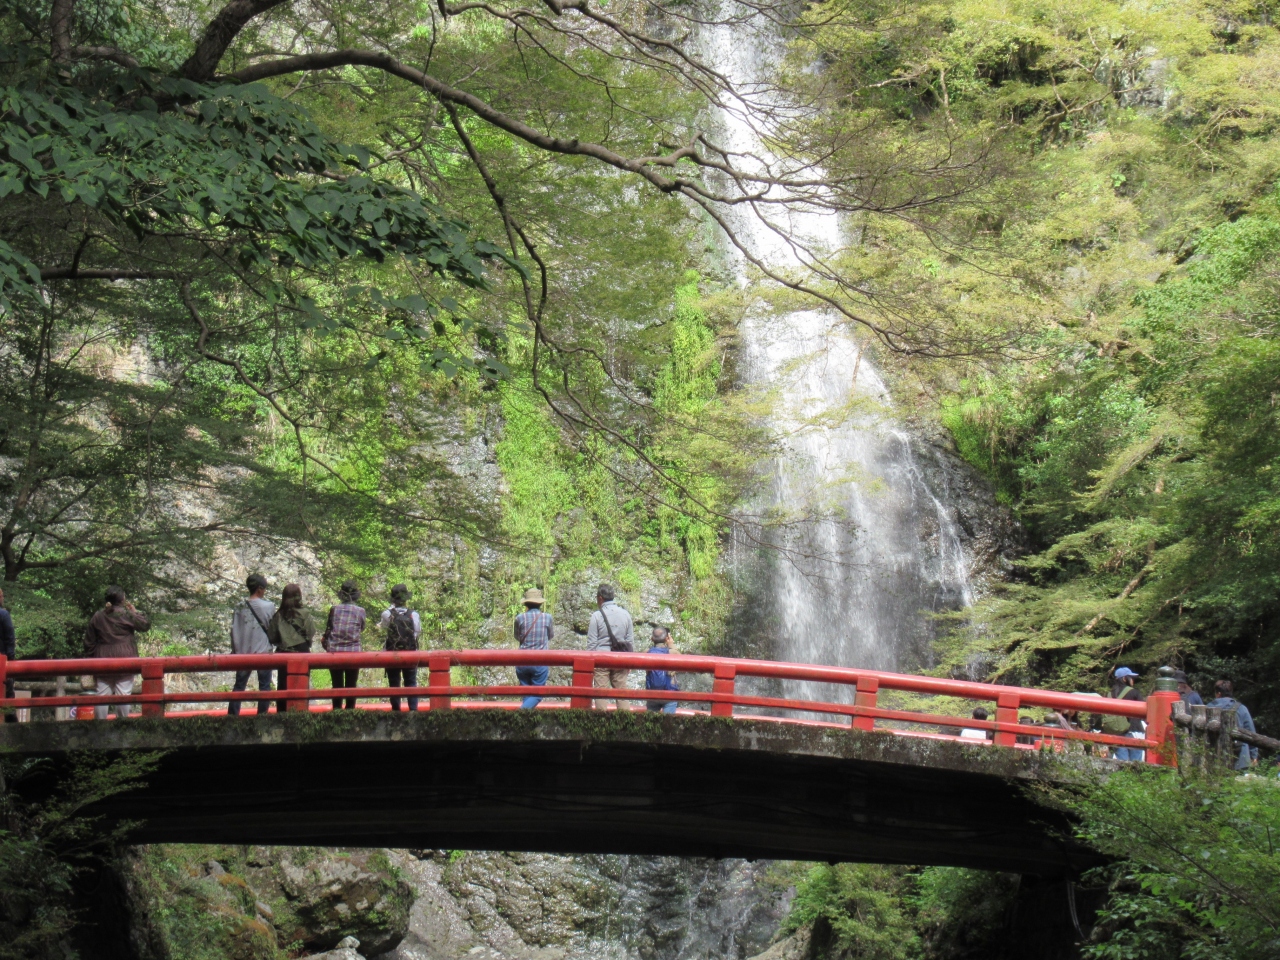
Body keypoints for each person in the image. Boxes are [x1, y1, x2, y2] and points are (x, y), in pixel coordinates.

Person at [83, 586, 150, 720]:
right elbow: (145, 625)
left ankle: (100, 725)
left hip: (103, 660)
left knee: (102, 695)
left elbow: (89, 642)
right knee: (123, 694)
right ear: (122, 599)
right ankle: (122, 724)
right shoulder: (127, 614)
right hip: (126, 659)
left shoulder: (98, 616)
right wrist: (135, 612)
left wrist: (91, 659)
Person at [229, 573, 276, 716]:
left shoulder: (239, 607)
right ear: (260, 589)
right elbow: (272, 629)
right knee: (264, 687)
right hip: (263, 652)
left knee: (239, 686)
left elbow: (234, 630)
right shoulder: (269, 606)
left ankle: (232, 716)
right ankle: (262, 717)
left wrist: (235, 650)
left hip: (243, 653)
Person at [268, 583, 315, 713]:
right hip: (302, 651)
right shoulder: (305, 613)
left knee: (283, 685)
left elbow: (272, 637)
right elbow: (310, 632)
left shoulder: (278, 615)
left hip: (284, 653)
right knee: (302, 683)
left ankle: (282, 713)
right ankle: (301, 712)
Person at [587, 583, 634, 710]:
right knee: (621, 691)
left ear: (600, 598)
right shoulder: (625, 614)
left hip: (601, 659)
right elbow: (629, 641)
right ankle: (625, 718)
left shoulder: (597, 616)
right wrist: (630, 662)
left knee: (601, 691)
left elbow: (592, 643)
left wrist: (590, 662)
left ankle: (602, 718)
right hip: (620, 658)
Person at [323, 580, 366, 710]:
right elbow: (361, 628)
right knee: (351, 683)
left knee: (336, 683)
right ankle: (350, 709)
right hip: (353, 651)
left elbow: (329, 627)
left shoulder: (334, 609)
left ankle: (336, 709)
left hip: (335, 650)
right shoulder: (361, 611)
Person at [380, 584, 422, 712]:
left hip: (392, 653)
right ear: (406, 599)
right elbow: (417, 632)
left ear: (393, 599)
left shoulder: (387, 614)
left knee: (394, 682)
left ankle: (396, 710)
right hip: (410, 653)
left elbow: (383, 627)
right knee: (411, 682)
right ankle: (413, 711)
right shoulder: (414, 615)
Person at [513, 587, 553, 710]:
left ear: (526, 603)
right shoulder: (547, 617)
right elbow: (550, 636)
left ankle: (525, 718)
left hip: (522, 661)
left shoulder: (519, 618)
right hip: (540, 662)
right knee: (537, 694)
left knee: (527, 693)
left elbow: (517, 637)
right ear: (540, 603)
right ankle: (519, 714)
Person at [1207, 680, 1259, 770]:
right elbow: (1251, 732)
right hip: (1240, 758)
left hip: (1214, 758)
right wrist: (1254, 755)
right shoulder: (1241, 708)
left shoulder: (1208, 708)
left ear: (1218, 694)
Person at [1109, 667, 1147, 761]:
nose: (1133, 680)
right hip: (1134, 729)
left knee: (1121, 762)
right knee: (1136, 763)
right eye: (1131, 678)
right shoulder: (1134, 692)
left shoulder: (1109, 694)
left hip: (1116, 731)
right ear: (1124, 678)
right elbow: (1144, 711)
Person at [644, 626, 679, 714]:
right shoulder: (672, 653)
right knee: (667, 720)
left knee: (651, 719)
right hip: (669, 693)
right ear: (667, 638)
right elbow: (683, 661)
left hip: (652, 693)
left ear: (652, 639)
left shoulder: (646, 652)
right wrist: (671, 645)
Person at [0, 587, 16, 723]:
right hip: (2, 661)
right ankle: (13, 729)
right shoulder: (3, 615)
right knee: (8, 699)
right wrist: (11, 660)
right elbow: (10, 639)